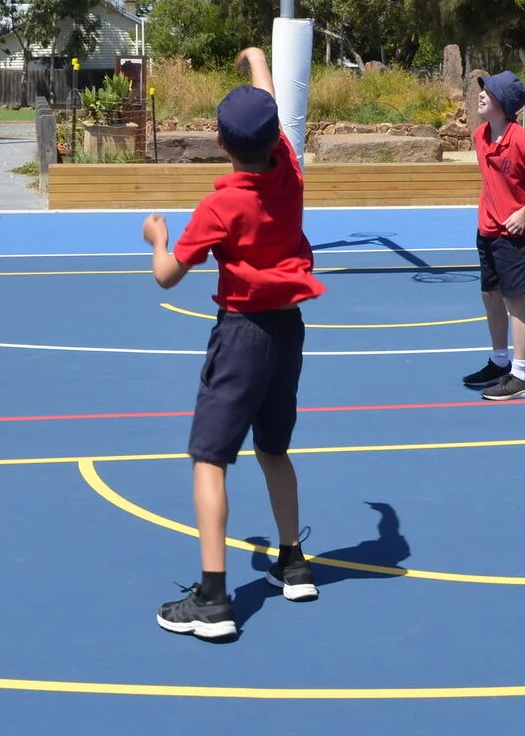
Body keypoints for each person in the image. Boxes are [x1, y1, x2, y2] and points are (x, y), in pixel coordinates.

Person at [141, 47, 325, 642]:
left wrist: (156, 237)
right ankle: (293, 562)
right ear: (276, 140)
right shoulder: (291, 172)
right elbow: (270, 106)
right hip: (287, 331)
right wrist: (257, 61)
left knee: (209, 459)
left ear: (222, 144)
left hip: (241, 334)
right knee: (274, 449)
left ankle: (214, 599)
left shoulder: (220, 206)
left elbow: (167, 275)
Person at [459, 72, 525, 401]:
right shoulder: (480, 135)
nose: (482, 95)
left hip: (515, 234)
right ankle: (499, 361)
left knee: (515, 302)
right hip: (487, 230)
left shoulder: (521, 140)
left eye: (489, 92)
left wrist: (524, 212)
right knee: (491, 295)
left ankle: (521, 375)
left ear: (504, 103)